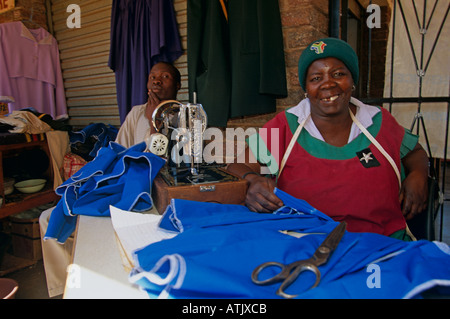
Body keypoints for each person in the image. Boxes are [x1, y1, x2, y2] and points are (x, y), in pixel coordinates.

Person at [227, 37, 429, 241]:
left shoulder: (378, 121)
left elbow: (415, 152)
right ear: (306, 89)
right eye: (316, 78)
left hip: (383, 245)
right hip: (304, 244)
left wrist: (419, 174)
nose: (328, 84)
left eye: (338, 74)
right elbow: (238, 166)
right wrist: (252, 181)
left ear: (352, 81)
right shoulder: (286, 126)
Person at [115, 61, 181, 148]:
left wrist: (155, 120)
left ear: (177, 85)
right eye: (152, 77)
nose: (156, 81)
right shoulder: (136, 112)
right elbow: (120, 149)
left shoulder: (185, 115)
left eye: (165, 76)